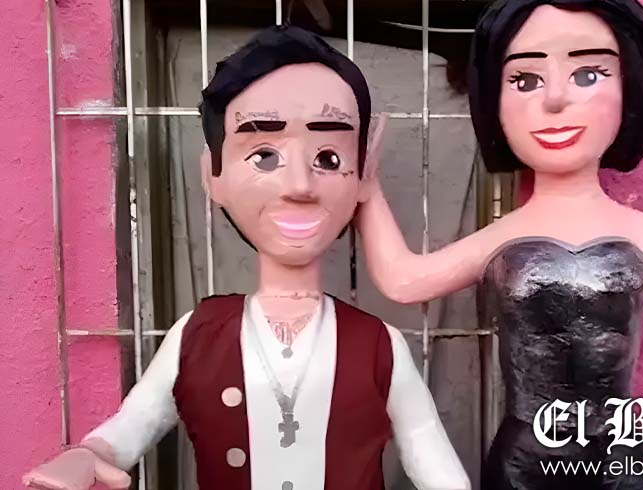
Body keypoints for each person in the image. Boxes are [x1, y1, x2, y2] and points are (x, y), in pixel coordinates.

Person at [355, 1, 643, 488]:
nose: (555, 99)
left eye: (588, 74)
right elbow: (404, 280)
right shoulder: (503, 236)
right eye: (525, 80)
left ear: (629, 87)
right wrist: (368, 192)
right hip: (525, 465)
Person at [23, 25, 470, 490]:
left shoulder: (379, 346)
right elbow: (129, 428)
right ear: (212, 175)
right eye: (264, 157)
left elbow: (437, 466)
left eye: (329, 159)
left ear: (362, 176)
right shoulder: (198, 337)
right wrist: (88, 455)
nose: (299, 185)